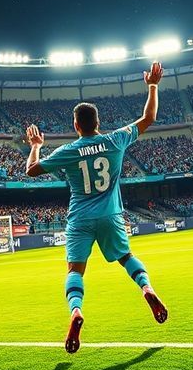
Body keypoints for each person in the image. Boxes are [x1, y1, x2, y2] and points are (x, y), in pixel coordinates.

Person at [25, 61, 168, 354]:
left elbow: (32, 171)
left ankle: (76, 311)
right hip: (111, 215)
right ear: (98, 122)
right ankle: (147, 289)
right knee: (126, 257)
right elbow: (149, 117)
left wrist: (36, 145)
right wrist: (152, 85)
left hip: (80, 218)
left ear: (76, 126)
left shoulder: (68, 151)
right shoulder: (116, 139)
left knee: (75, 270)